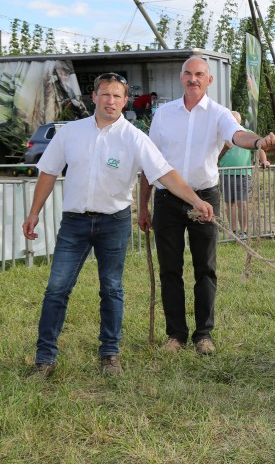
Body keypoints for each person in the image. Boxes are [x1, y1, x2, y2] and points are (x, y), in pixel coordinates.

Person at [22, 72, 214, 378]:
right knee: (56, 289)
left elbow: (164, 173)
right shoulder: (71, 133)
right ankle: (45, 358)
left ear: (125, 102)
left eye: (117, 96)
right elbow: (47, 172)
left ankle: (109, 354)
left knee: (111, 289)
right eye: (105, 94)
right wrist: (33, 213)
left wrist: (195, 200)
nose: (110, 101)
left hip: (114, 223)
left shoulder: (135, 137)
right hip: (74, 223)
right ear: (94, 97)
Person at [138, 56, 275, 356]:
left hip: (205, 200)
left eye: (199, 74)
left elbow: (237, 135)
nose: (193, 79)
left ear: (209, 80)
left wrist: (258, 144)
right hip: (166, 200)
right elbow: (149, 163)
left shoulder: (219, 114)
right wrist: (143, 207)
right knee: (169, 270)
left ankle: (204, 335)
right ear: (180, 77)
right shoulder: (163, 114)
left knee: (206, 269)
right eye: (188, 74)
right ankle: (175, 336)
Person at [218, 110, 269, 238]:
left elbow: (260, 148)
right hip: (225, 173)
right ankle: (233, 231)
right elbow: (214, 158)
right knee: (230, 204)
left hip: (243, 173)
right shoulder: (221, 135)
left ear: (239, 123)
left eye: (235, 122)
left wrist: (264, 160)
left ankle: (244, 231)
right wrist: (225, 148)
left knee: (242, 203)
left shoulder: (248, 134)